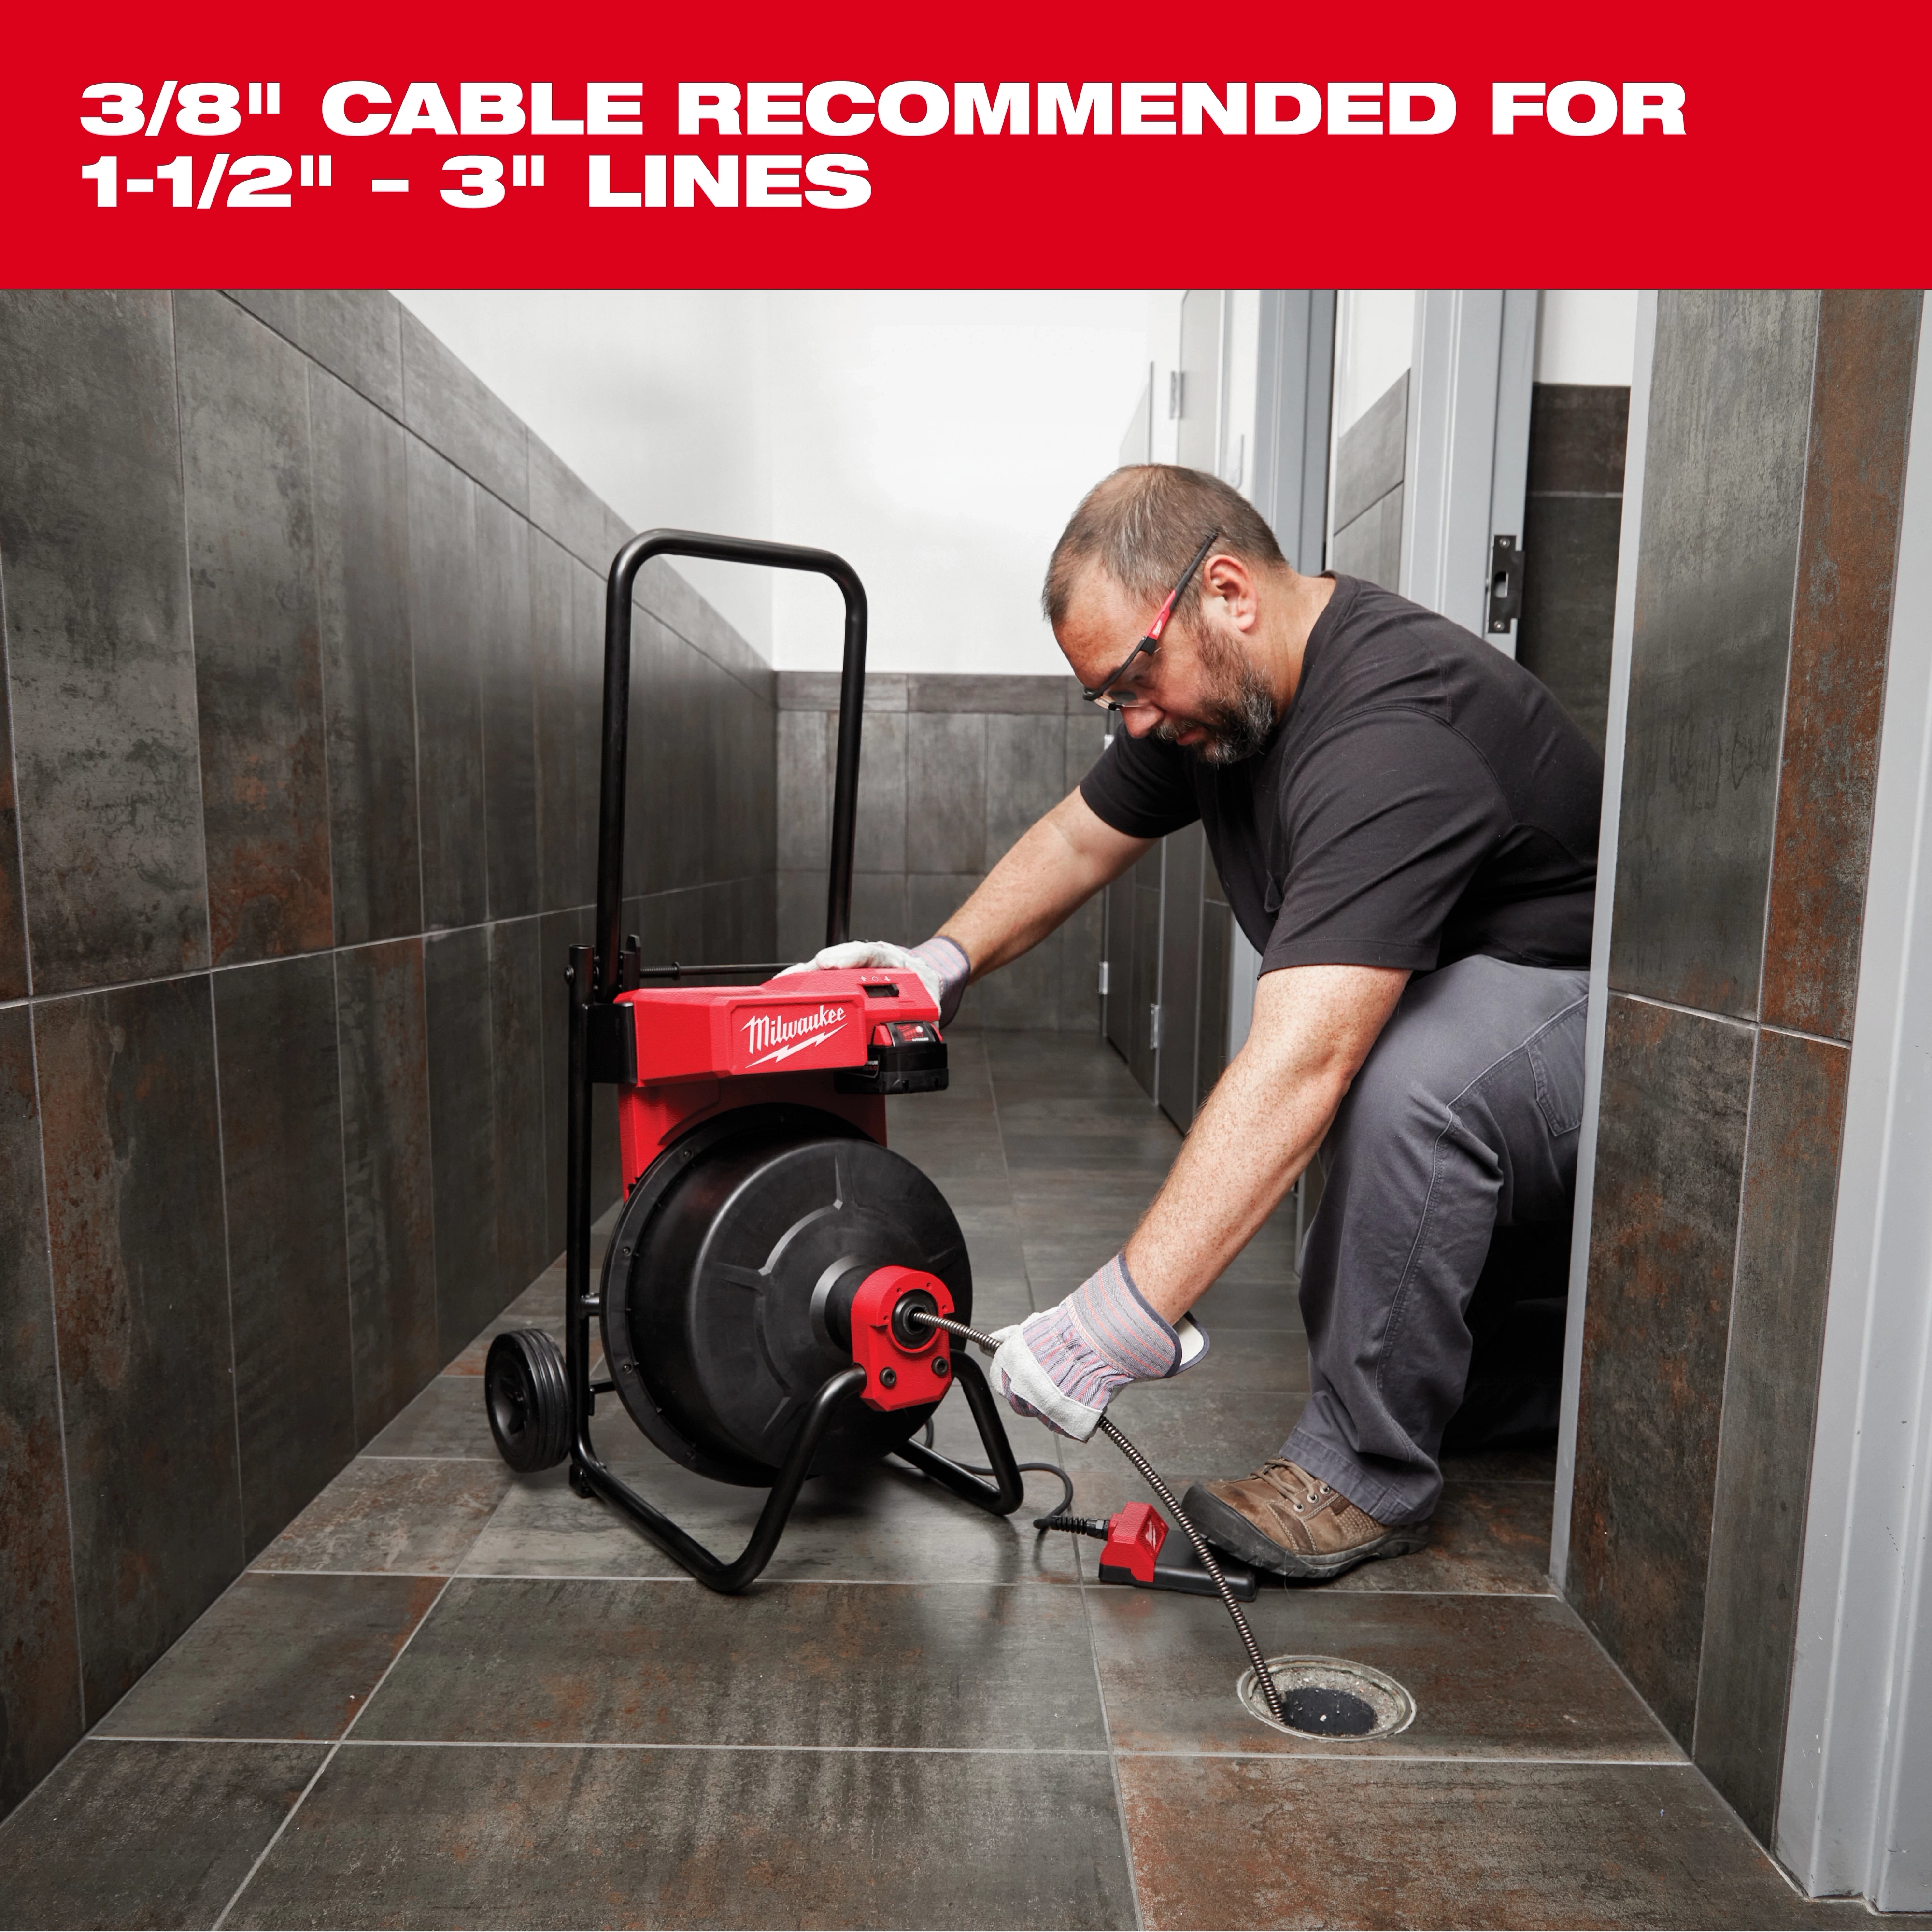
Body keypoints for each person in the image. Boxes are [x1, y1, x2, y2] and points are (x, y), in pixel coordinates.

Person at [791, 464, 1601, 1579]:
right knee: (1387, 1064)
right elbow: (1079, 838)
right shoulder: (1221, 697)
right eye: (1105, 698)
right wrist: (941, 961)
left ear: (1225, 590)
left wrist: (1121, 1317)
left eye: (1133, 677)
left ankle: (1362, 1473)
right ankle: (1504, 1386)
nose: (1129, 718)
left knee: (1405, 1082)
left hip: (1598, 1012)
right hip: (1476, 989)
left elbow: (1302, 1060)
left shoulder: (1389, 733)